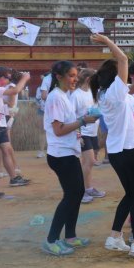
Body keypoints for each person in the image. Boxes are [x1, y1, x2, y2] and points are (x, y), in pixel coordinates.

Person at [90, 34, 134, 258]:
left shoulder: (108, 92)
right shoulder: (115, 91)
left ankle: (115, 237)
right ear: (115, 75)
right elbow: (124, 59)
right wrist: (107, 41)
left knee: (131, 194)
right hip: (130, 150)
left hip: (119, 152)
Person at [41, 61, 98, 256]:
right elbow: (58, 130)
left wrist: (79, 131)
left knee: (77, 193)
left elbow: (66, 126)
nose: (75, 79)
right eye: (71, 75)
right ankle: (51, 240)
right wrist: (82, 121)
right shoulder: (56, 97)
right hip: (61, 154)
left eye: (76, 75)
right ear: (59, 77)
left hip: (68, 152)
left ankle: (70, 236)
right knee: (72, 195)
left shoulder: (64, 96)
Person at [70, 68, 106, 204]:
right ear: (88, 80)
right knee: (89, 161)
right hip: (82, 132)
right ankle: (82, 191)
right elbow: (71, 116)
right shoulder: (76, 95)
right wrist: (78, 134)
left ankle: (88, 188)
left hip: (91, 132)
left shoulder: (93, 93)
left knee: (89, 162)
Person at [0, 67, 31, 188]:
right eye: (6, 77)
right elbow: (15, 91)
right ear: (0, 77)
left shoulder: (0, 89)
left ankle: (13, 178)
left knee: (6, 150)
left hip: (0, 125)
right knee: (6, 150)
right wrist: (25, 78)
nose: (8, 80)